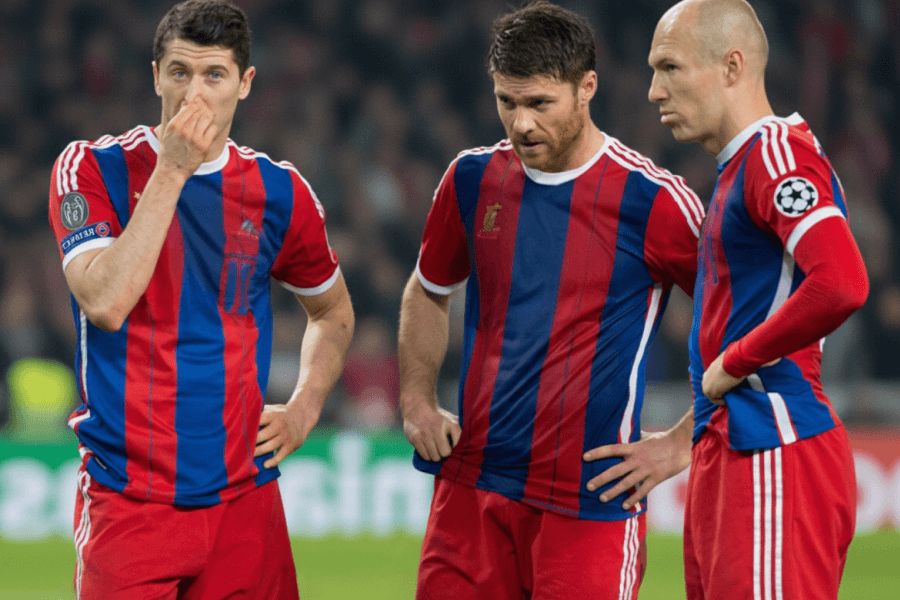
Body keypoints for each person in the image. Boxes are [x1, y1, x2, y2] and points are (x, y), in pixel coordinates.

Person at [47, 1, 354, 598]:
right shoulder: (91, 169)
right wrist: (172, 172)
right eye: (180, 72)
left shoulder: (278, 192)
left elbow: (332, 311)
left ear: (245, 84)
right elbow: (105, 302)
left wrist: (304, 407)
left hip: (245, 503)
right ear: (155, 74)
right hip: (131, 501)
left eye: (214, 75)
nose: (194, 92)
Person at [397, 2, 704, 598]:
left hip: (587, 504)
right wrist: (415, 398)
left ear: (586, 87)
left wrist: (678, 443)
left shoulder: (653, 201)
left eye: (540, 103)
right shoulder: (471, 179)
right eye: (506, 101)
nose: (521, 124)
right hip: (472, 489)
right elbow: (427, 290)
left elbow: (746, 322)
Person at [644, 1, 869, 598]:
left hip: (775, 446)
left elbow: (843, 280)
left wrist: (737, 359)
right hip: (733, 445)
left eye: (669, 67)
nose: (652, 91)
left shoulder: (776, 154)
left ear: (731, 66)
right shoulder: (738, 167)